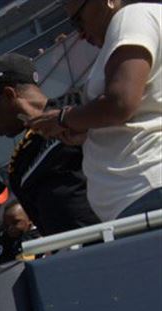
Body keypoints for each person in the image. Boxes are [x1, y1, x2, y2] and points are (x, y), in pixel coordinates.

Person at [27, 0, 162, 221]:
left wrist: (64, 118)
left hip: (146, 190)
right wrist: (86, 129)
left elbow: (120, 102)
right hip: (140, 194)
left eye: (78, 20)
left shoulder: (131, 17)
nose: (80, 33)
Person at [0, 54, 99, 235]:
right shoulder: (18, 162)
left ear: (9, 95)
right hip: (70, 254)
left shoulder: (78, 107)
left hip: (120, 232)